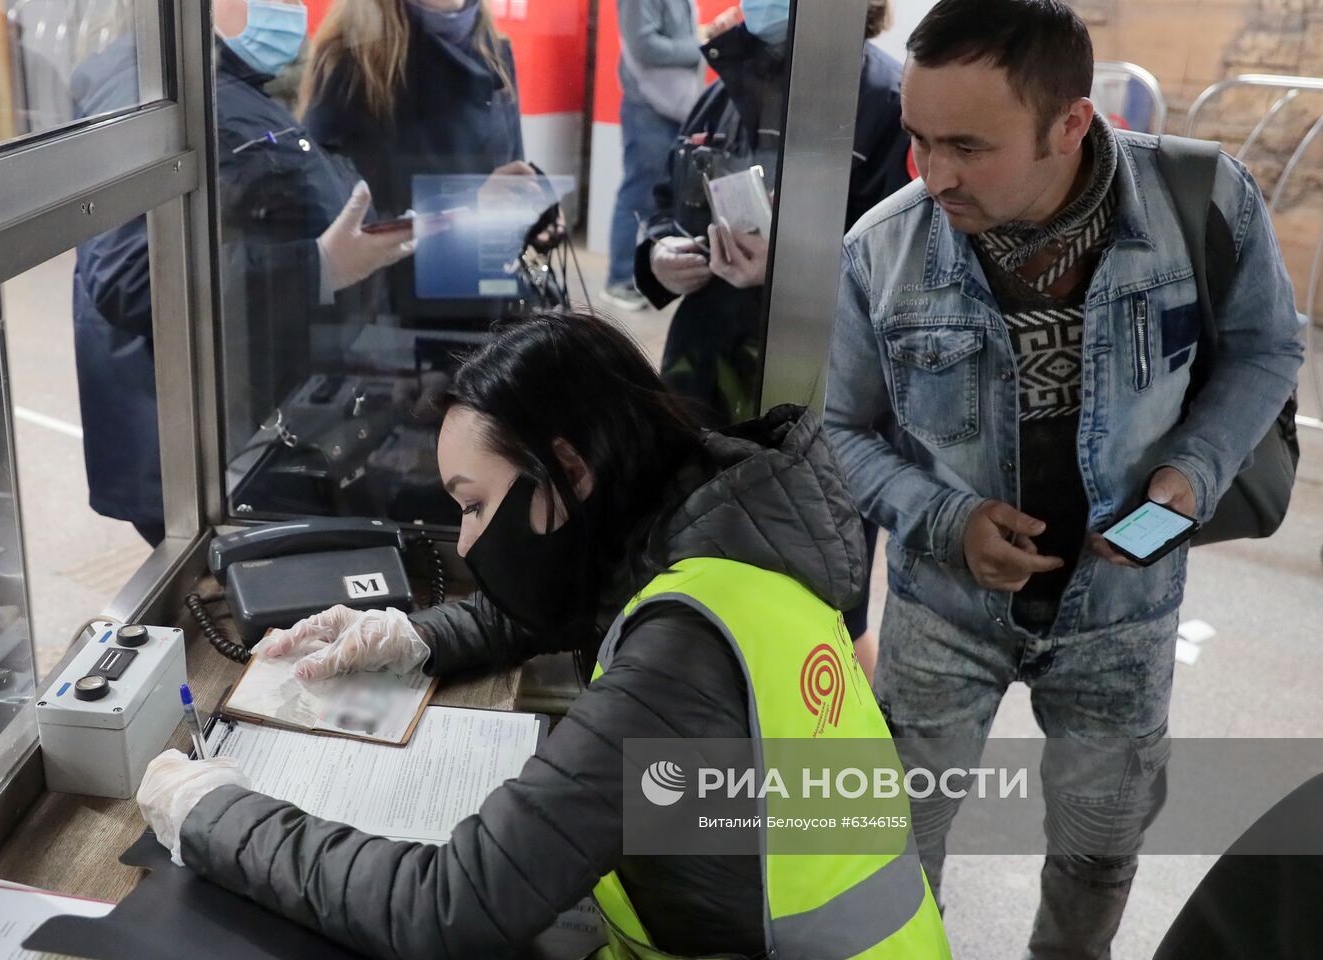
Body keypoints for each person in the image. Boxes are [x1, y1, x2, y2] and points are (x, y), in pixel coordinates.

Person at [137, 311, 950, 959]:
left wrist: (214, 814)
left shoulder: (679, 659)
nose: (464, 543)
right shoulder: (724, 529)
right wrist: (414, 637)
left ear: (568, 471)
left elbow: (446, 907)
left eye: (475, 504)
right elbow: (573, 598)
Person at [823, 1, 1305, 957]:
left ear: (1071, 124)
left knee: (1097, 852)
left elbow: (1266, 348)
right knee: (892, 849)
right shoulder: (881, 251)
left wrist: (1188, 477)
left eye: (968, 144)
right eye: (918, 138)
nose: (934, 172)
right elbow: (836, 432)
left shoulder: (1203, 203)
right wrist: (942, 519)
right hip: (941, 617)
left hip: (1123, 610)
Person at [71, 0, 413, 545]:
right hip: (203, 454)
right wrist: (319, 266)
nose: (292, 9)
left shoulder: (220, 79)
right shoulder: (143, 87)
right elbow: (131, 277)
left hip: (253, 423)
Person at [635, 0, 908, 425]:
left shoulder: (888, 104)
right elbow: (666, 201)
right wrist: (658, 257)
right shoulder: (725, 87)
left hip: (811, 388)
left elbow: (900, 267)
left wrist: (791, 272)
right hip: (699, 376)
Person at [298, 0, 532, 328]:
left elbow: (511, 167)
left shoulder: (495, 49)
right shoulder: (353, 59)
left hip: (485, 294)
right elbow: (342, 215)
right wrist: (470, 206)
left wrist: (534, 211)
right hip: (401, 315)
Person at [600, 0, 705, 313]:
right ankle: (618, 279)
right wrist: (700, 45)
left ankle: (646, 278)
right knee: (637, 194)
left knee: (660, 198)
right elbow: (644, 45)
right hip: (649, 108)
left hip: (675, 108)